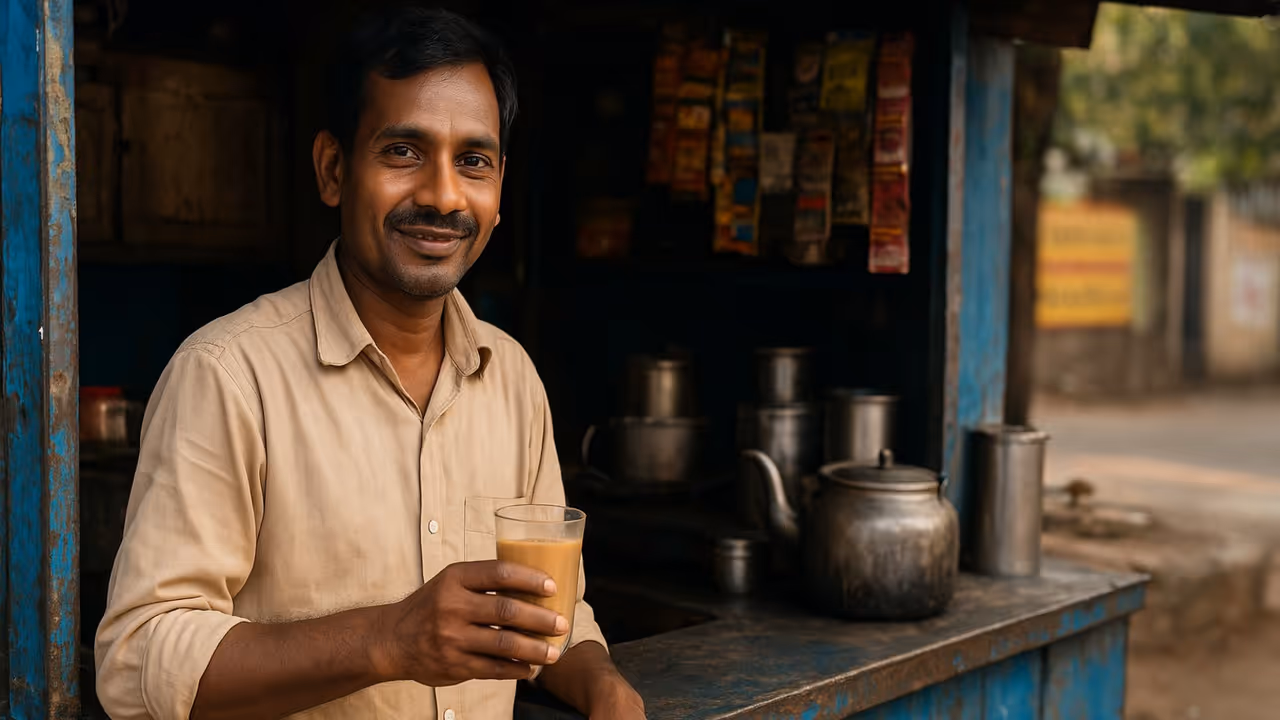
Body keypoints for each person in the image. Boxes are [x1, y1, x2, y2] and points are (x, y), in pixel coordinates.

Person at [94, 6, 645, 719]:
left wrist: (603, 684)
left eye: (472, 161)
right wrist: (389, 638)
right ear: (333, 169)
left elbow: (554, 614)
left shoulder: (511, 378)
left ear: (500, 189)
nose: (444, 196)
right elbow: (138, 659)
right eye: (403, 152)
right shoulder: (229, 375)